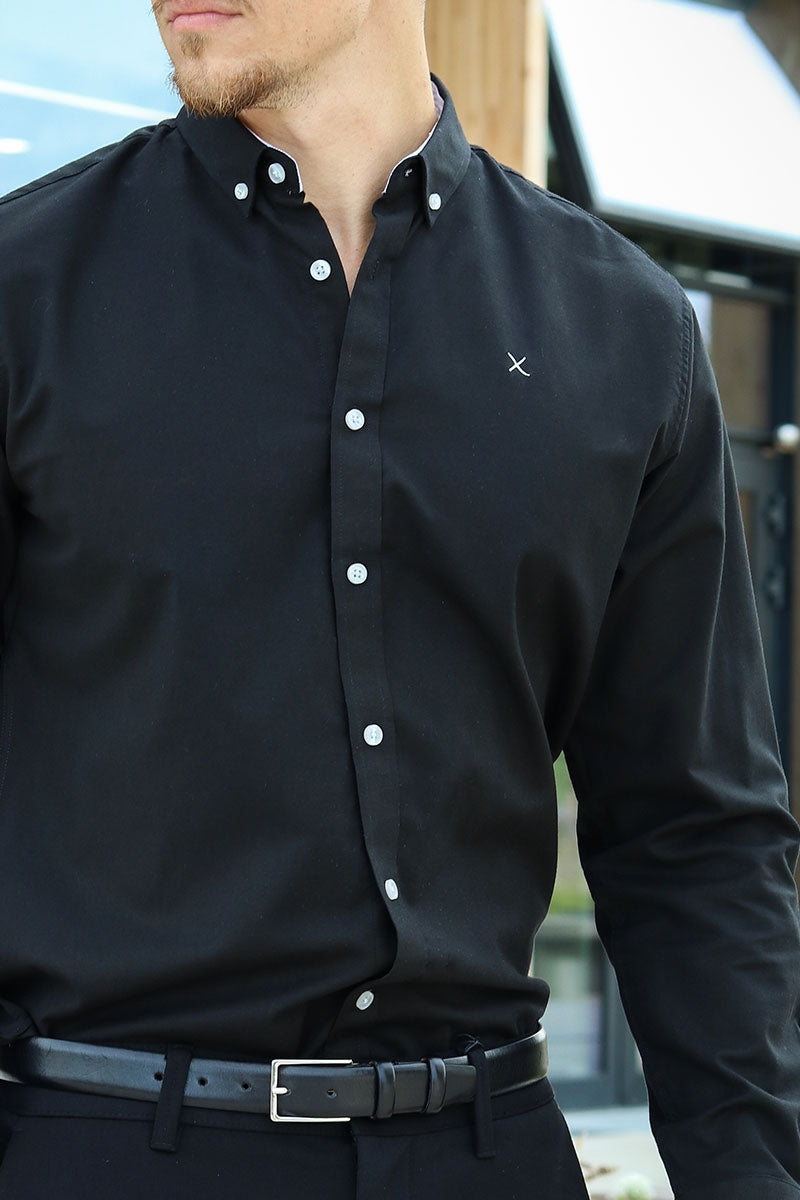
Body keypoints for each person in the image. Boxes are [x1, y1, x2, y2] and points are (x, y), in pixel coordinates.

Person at [0, 1, 798, 1196]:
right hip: (106, 1150)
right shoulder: (26, 290)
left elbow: (693, 833)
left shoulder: (623, 332)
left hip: (488, 1152)